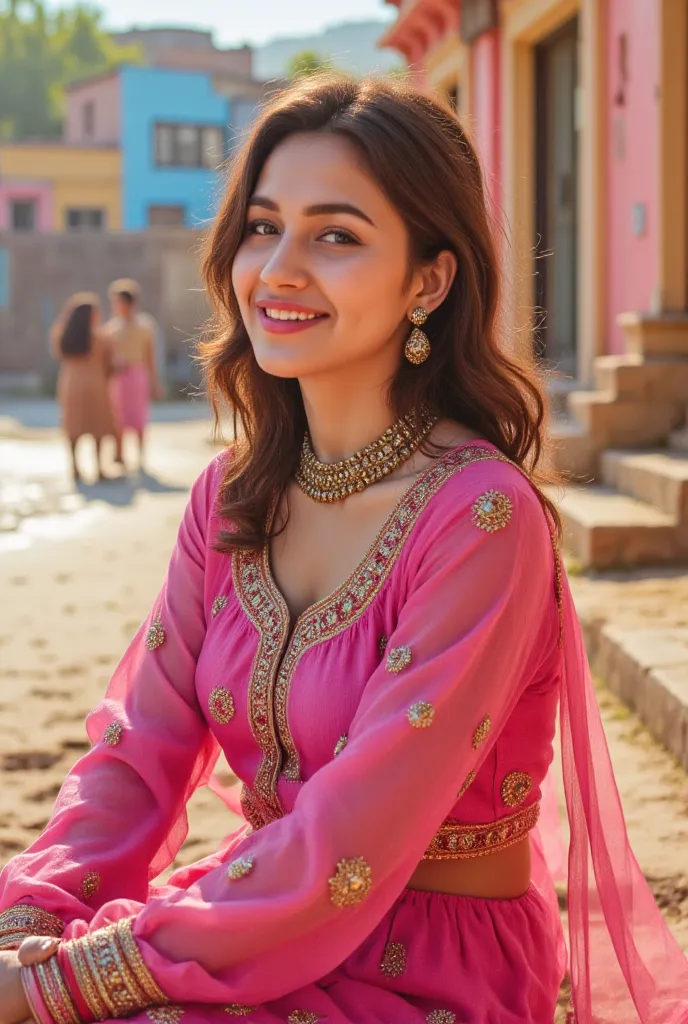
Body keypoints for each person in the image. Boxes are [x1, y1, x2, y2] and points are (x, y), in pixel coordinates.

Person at [1, 74, 687, 1024]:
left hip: (425, 972)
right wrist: (32, 914)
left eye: (336, 236)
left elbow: (353, 831)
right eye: (261, 226)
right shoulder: (232, 497)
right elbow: (138, 752)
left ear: (429, 280)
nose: (279, 267)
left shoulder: (481, 519)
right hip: (254, 922)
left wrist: (69, 978)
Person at [50, 292, 117, 483]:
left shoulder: (62, 336)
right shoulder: (102, 338)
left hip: (71, 385)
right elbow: (110, 365)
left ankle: (75, 467)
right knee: (98, 427)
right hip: (96, 385)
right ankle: (98, 468)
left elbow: (58, 355)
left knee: (73, 426)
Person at [102, 279, 162, 473]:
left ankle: (140, 457)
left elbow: (150, 356)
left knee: (138, 417)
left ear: (128, 303)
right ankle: (119, 455)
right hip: (118, 377)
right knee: (117, 416)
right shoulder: (111, 328)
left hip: (137, 374)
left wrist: (155, 382)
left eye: (118, 301)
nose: (115, 306)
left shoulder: (144, 326)